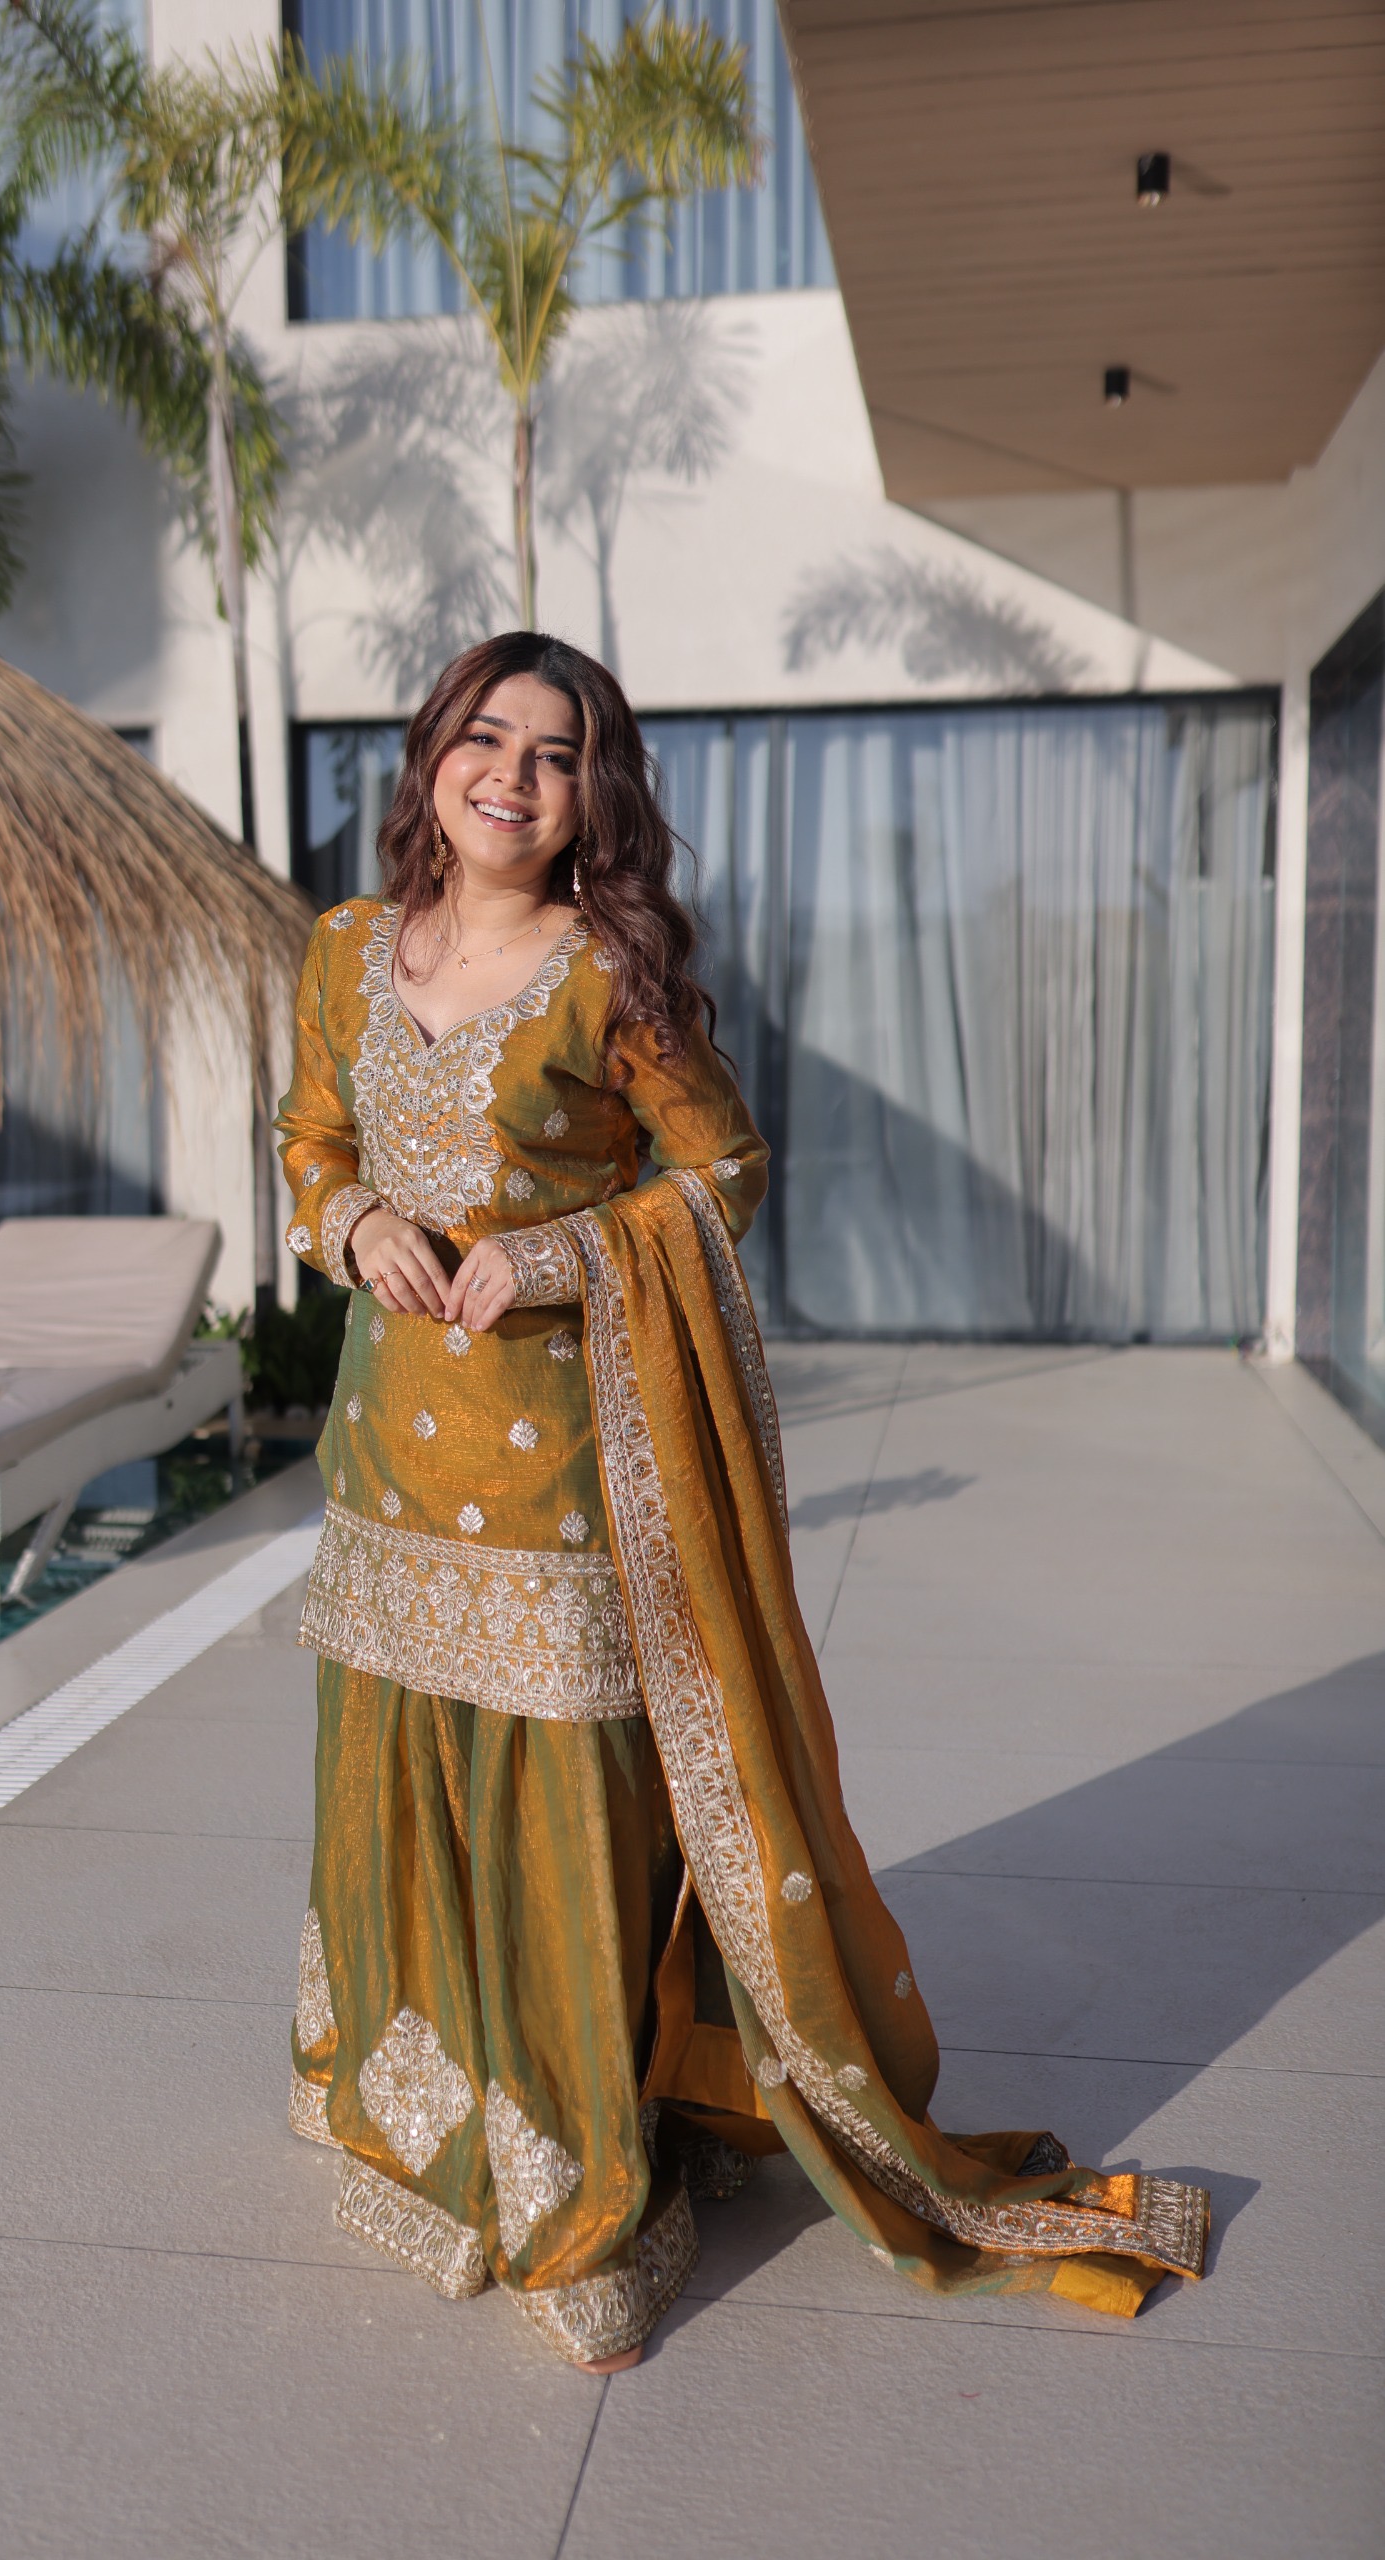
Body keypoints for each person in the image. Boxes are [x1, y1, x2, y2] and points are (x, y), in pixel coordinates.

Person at [276, 632, 1207, 2372]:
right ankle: (420, 2120)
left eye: (557, 755)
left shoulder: (605, 974)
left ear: (593, 797)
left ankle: (579, 2195)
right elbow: (311, 1140)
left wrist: (558, 1254)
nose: (513, 778)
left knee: (561, 1821)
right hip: (384, 1460)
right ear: (430, 758)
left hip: (557, 1482)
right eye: (486, 738)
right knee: (401, 1789)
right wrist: (352, 1221)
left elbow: (724, 1171)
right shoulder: (341, 951)